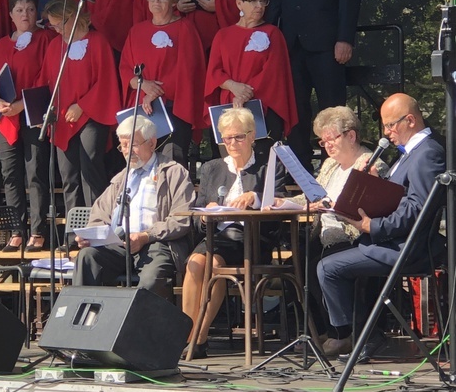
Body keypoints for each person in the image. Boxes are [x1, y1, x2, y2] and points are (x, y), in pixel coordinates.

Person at [317, 93, 445, 363]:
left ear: (409, 120)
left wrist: (371, 225)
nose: (386, 133)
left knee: (328, 268)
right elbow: (400, 196)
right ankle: (365, 334)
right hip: (391, 241)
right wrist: (378, 182)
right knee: (333, 260)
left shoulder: (427, 153)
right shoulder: (411, 153)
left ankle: (357, 335)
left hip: (407, 248)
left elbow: (417, 210)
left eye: (390, 125)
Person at [270, 106, 388, 353]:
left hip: (356, 235)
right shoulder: (329, 166)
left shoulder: (370, 162)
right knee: (295, 266)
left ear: (351, 136)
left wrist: (337, 206)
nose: (326, 146)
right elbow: (314, 195)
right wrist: (285, 202)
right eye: (322, 141)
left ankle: (343, 333)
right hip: (325, 235)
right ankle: (319, 330)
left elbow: (377, 204)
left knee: (318, 265)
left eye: (330, 139)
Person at [267, 0, 363, 172]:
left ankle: (336, 170)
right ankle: (301, 173)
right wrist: (270, 39)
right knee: (295, 110)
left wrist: (345, 38)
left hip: (327, 43)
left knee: (332, 110)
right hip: (291, 44)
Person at [181, 108, 287, 358]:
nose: (232, 143)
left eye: (238, 137)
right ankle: (187, 335)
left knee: (214, 266)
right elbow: (197, 218)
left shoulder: (268, 167)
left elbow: (282, 202)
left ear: (252, 136)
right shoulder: (212, 168)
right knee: (195, 264)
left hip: (251, 238)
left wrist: (257, 197)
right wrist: (207, 212)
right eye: (227, 138)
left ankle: (199, 337)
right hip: (216, 237)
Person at [73, 116, 196, 299]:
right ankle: (83, 322)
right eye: (123, 146)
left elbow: (181, 219)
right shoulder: (121, 178)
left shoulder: (173, 172)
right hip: (118, 244)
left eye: (133, 145)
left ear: (152, 143)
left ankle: (140, 327)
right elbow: (99, 212)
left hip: (155, 244)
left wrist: (146, 236)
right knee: (87, 257)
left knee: (151, 279)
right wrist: (91, 235)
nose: (127, 152)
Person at [0, 0, 56, 253]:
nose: (25, 15)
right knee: (10, 175)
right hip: (6, 118)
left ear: (37, 13)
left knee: (35, 174)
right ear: (11, 15)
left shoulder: (47, 39)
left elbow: (49, 77)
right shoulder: (1, 44)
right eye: (20, 10)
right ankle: (16, 231)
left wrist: (21, 105)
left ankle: (37, 230)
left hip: (33, 114)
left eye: (30, 10)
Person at [39, 0, 122, 216]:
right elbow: (47, 81)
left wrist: (82, 106)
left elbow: (106, 81)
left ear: (73, 18)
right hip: (63, 119)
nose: (56, 30)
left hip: (91, 116)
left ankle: (98, 221)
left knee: (90, 169)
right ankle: (74, 230)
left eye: (59, 24)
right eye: (52, 25)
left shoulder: (97, 41)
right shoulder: (55, 46)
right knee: (68, 176)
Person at [120, 0, 206, 168]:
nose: (156, 0)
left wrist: (155, 93)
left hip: (174, 109)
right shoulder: (137, 31)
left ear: (174, 0)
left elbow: (190, 71)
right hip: (144, 110)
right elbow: (126, 68)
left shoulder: (185, 28)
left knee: (171, 164)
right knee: (141, 164)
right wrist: (143, 85)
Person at [205, 0, 298, 143]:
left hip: (262, 107)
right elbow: (214, 72)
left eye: (263, 1)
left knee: (262, 163)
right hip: (230, 107)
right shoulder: (223, 35)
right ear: (239, 3)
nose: (259, 6)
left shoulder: (273, 33)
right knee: (231, 163)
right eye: (254, 0)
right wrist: (233, 86)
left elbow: (273, 74)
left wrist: (243, 93)